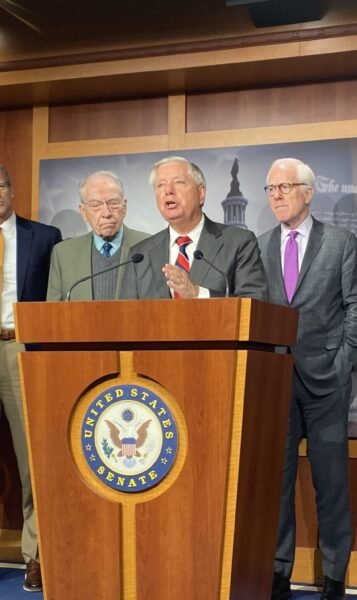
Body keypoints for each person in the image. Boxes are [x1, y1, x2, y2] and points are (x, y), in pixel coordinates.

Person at [258, 158, 357, 600]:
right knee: (276, 484)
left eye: (285, 187)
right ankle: (278, 570)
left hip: (327, 382)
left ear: (308, 191)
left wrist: (345, 363)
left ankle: (335, 574)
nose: (278, 196)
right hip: (275, 383)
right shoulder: (260, 245)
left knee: (331, 484)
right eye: (270, 189)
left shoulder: (340, 242)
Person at [0, 163, 61, 591]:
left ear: (11, 189)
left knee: (31, 459)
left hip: (18, 346)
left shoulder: (44, 237)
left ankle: (35, 554)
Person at [119, 156, 268, 300]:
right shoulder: (139, 256)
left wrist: (197, 293)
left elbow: (253, 303)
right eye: (160, 185)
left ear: (201, 193)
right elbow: (125, 316)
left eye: (178, 182)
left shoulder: (238, 243)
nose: (168, 190)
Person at [47, 171, 148, 301]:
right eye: (96, 205)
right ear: (83, 212)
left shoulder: (148, 247)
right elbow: (53, 314)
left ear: (124, 207)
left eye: (113, 203)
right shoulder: (63, 254)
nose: (106, 213)